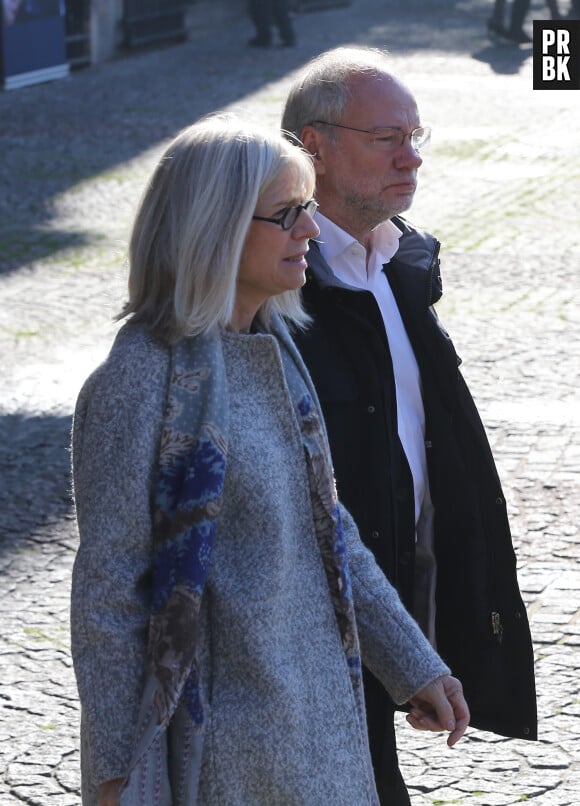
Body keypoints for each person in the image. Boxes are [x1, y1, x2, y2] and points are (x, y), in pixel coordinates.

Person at [70, 114, 469, 806]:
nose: (310, 231)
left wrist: (412, 664)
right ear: (213, 228)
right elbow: (108, 597)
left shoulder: (276, 347)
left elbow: (327, 527)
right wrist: (116, 776)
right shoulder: (138, 381)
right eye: (286, 215)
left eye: (308, 209)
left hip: (321, 729)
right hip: (223, 755)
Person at [281, 46, 537, 805]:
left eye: (416, 136)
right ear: (313, 145)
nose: (412, 157)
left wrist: (424, 639)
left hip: (388, 601)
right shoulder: (271, 282)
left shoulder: (400, 260)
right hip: (308, 628)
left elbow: (426, 446)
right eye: (386, 137)